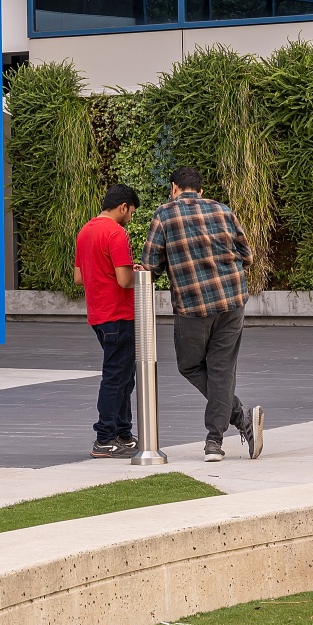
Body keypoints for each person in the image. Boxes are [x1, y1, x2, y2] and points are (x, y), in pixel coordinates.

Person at [143, 166, 264, 462]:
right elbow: (247, 256)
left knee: (189, 366)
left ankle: (226, 432)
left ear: (174, 188)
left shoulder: (165, 214)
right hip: (232, 301)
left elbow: (150, 264)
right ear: (200, 189)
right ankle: (221, 436)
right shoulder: (223, 210)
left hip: (193, 306)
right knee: (221, 369)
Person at [74, 183, 140, 458]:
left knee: (124, 376)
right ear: (123, 206)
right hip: (119, 314)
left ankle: (122, 432)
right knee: (116, 377)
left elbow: (79, 278)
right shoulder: (116, 233)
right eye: (132, 212)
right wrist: (141, 274)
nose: (131, 217)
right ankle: (104, 438)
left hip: (98, 314)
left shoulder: (85, 231)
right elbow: (125, 280)